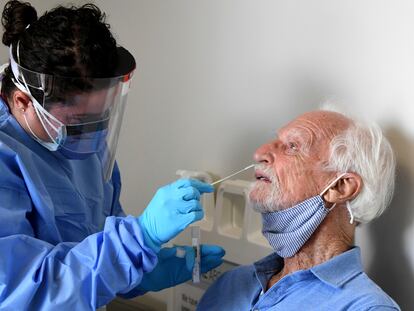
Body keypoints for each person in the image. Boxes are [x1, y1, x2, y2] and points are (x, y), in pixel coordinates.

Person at [0, 1, 224, 310]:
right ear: (24, 101)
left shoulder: (83, 143)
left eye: (101, 118)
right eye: (78, 122)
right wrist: (139, 238)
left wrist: (140, 270)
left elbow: (99, 239)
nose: (91, 137)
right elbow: (21, 294)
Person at [198, 108, 401, 310]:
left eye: (292, 146)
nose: (259, 153)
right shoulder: (230, 284)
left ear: (341, 186)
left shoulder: (366, 307)